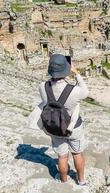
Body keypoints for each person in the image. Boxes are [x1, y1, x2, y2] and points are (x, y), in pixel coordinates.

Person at [38, 54, 89, 184]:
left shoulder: (42, 87)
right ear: (67, 69)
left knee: (62, 156)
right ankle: (81, 180)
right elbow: (85, 91)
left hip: (54, 126)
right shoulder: (76, 91)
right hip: (73, 128)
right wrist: (76, 73)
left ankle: (63, 180)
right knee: (77, 154)